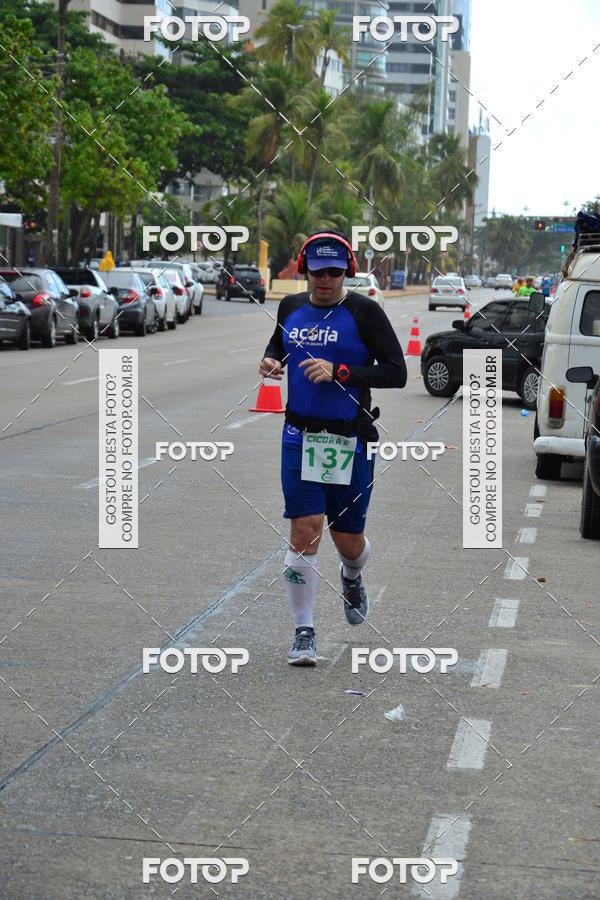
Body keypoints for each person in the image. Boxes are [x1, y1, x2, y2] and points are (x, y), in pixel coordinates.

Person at [259, 231, 407, 666]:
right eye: (317, 272)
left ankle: (353, 575)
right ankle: (304, 632)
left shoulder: (364, 312)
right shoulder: (291, 307)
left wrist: (341, 371)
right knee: (304, 532)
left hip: (348, 440)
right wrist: (269, 361)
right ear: (304, 269)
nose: (325, 280)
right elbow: (276, 345)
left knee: (348, 541)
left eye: (334, 273)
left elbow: (396, 372)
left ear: (348, 272)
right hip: (299, 436)